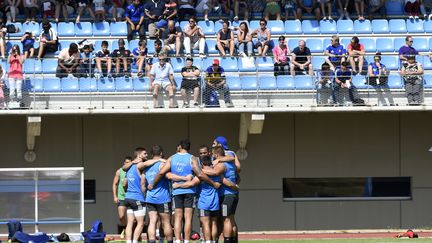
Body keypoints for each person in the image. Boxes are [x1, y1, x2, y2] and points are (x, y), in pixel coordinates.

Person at [148, 138, 221, 243]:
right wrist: (213, 184)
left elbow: (161, 172)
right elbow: (200, 174)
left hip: (177, 192)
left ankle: (177, 240)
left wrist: (152, 183)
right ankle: (186, 241)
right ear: (189, 147)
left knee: (177, 218)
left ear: (180, 147)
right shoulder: (192, 158)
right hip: (190, 192)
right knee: (188, 218)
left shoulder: (172, 158)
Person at [172, 155, 221, 243]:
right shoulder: (216, 173)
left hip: (204, 203)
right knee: (213, 223)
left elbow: (191, 184)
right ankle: (214, 241)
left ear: (201, 163)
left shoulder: (201, 175)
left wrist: (177, 185)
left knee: (205, 223)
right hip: (215, 202)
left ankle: (208, 241)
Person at [121, 147, 160, 243]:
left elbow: (124, 183)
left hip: (128, 197)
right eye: (145, 154)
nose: (146, 155)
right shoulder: (139, 165)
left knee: (130, 223)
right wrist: (158, 159)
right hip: (137, 198)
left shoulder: (129, 167)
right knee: (141, 223)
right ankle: (134, 241)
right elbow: (147, 164)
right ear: (139, 155)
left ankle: (128, 241)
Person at [144, 145, 173, 243]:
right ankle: (169, 241)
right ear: (161, 153)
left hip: (150, 197)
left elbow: (142, 183)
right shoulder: (162, 164)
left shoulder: (146, 166)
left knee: (152, 221)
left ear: (152, 154)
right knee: (166, 222)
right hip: (163, 198)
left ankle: (152, 241)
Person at [112, 156, 132, 239]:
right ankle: (125, 227)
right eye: (126, 162)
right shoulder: (119, 171)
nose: (127, 164)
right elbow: (115, 184)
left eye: (129, 162)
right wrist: (115, 196)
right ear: (124, 163)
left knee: (133, 219)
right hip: (121, 197)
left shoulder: (134, 171)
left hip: (131, 196)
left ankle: (131, 232)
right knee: (121, 217)